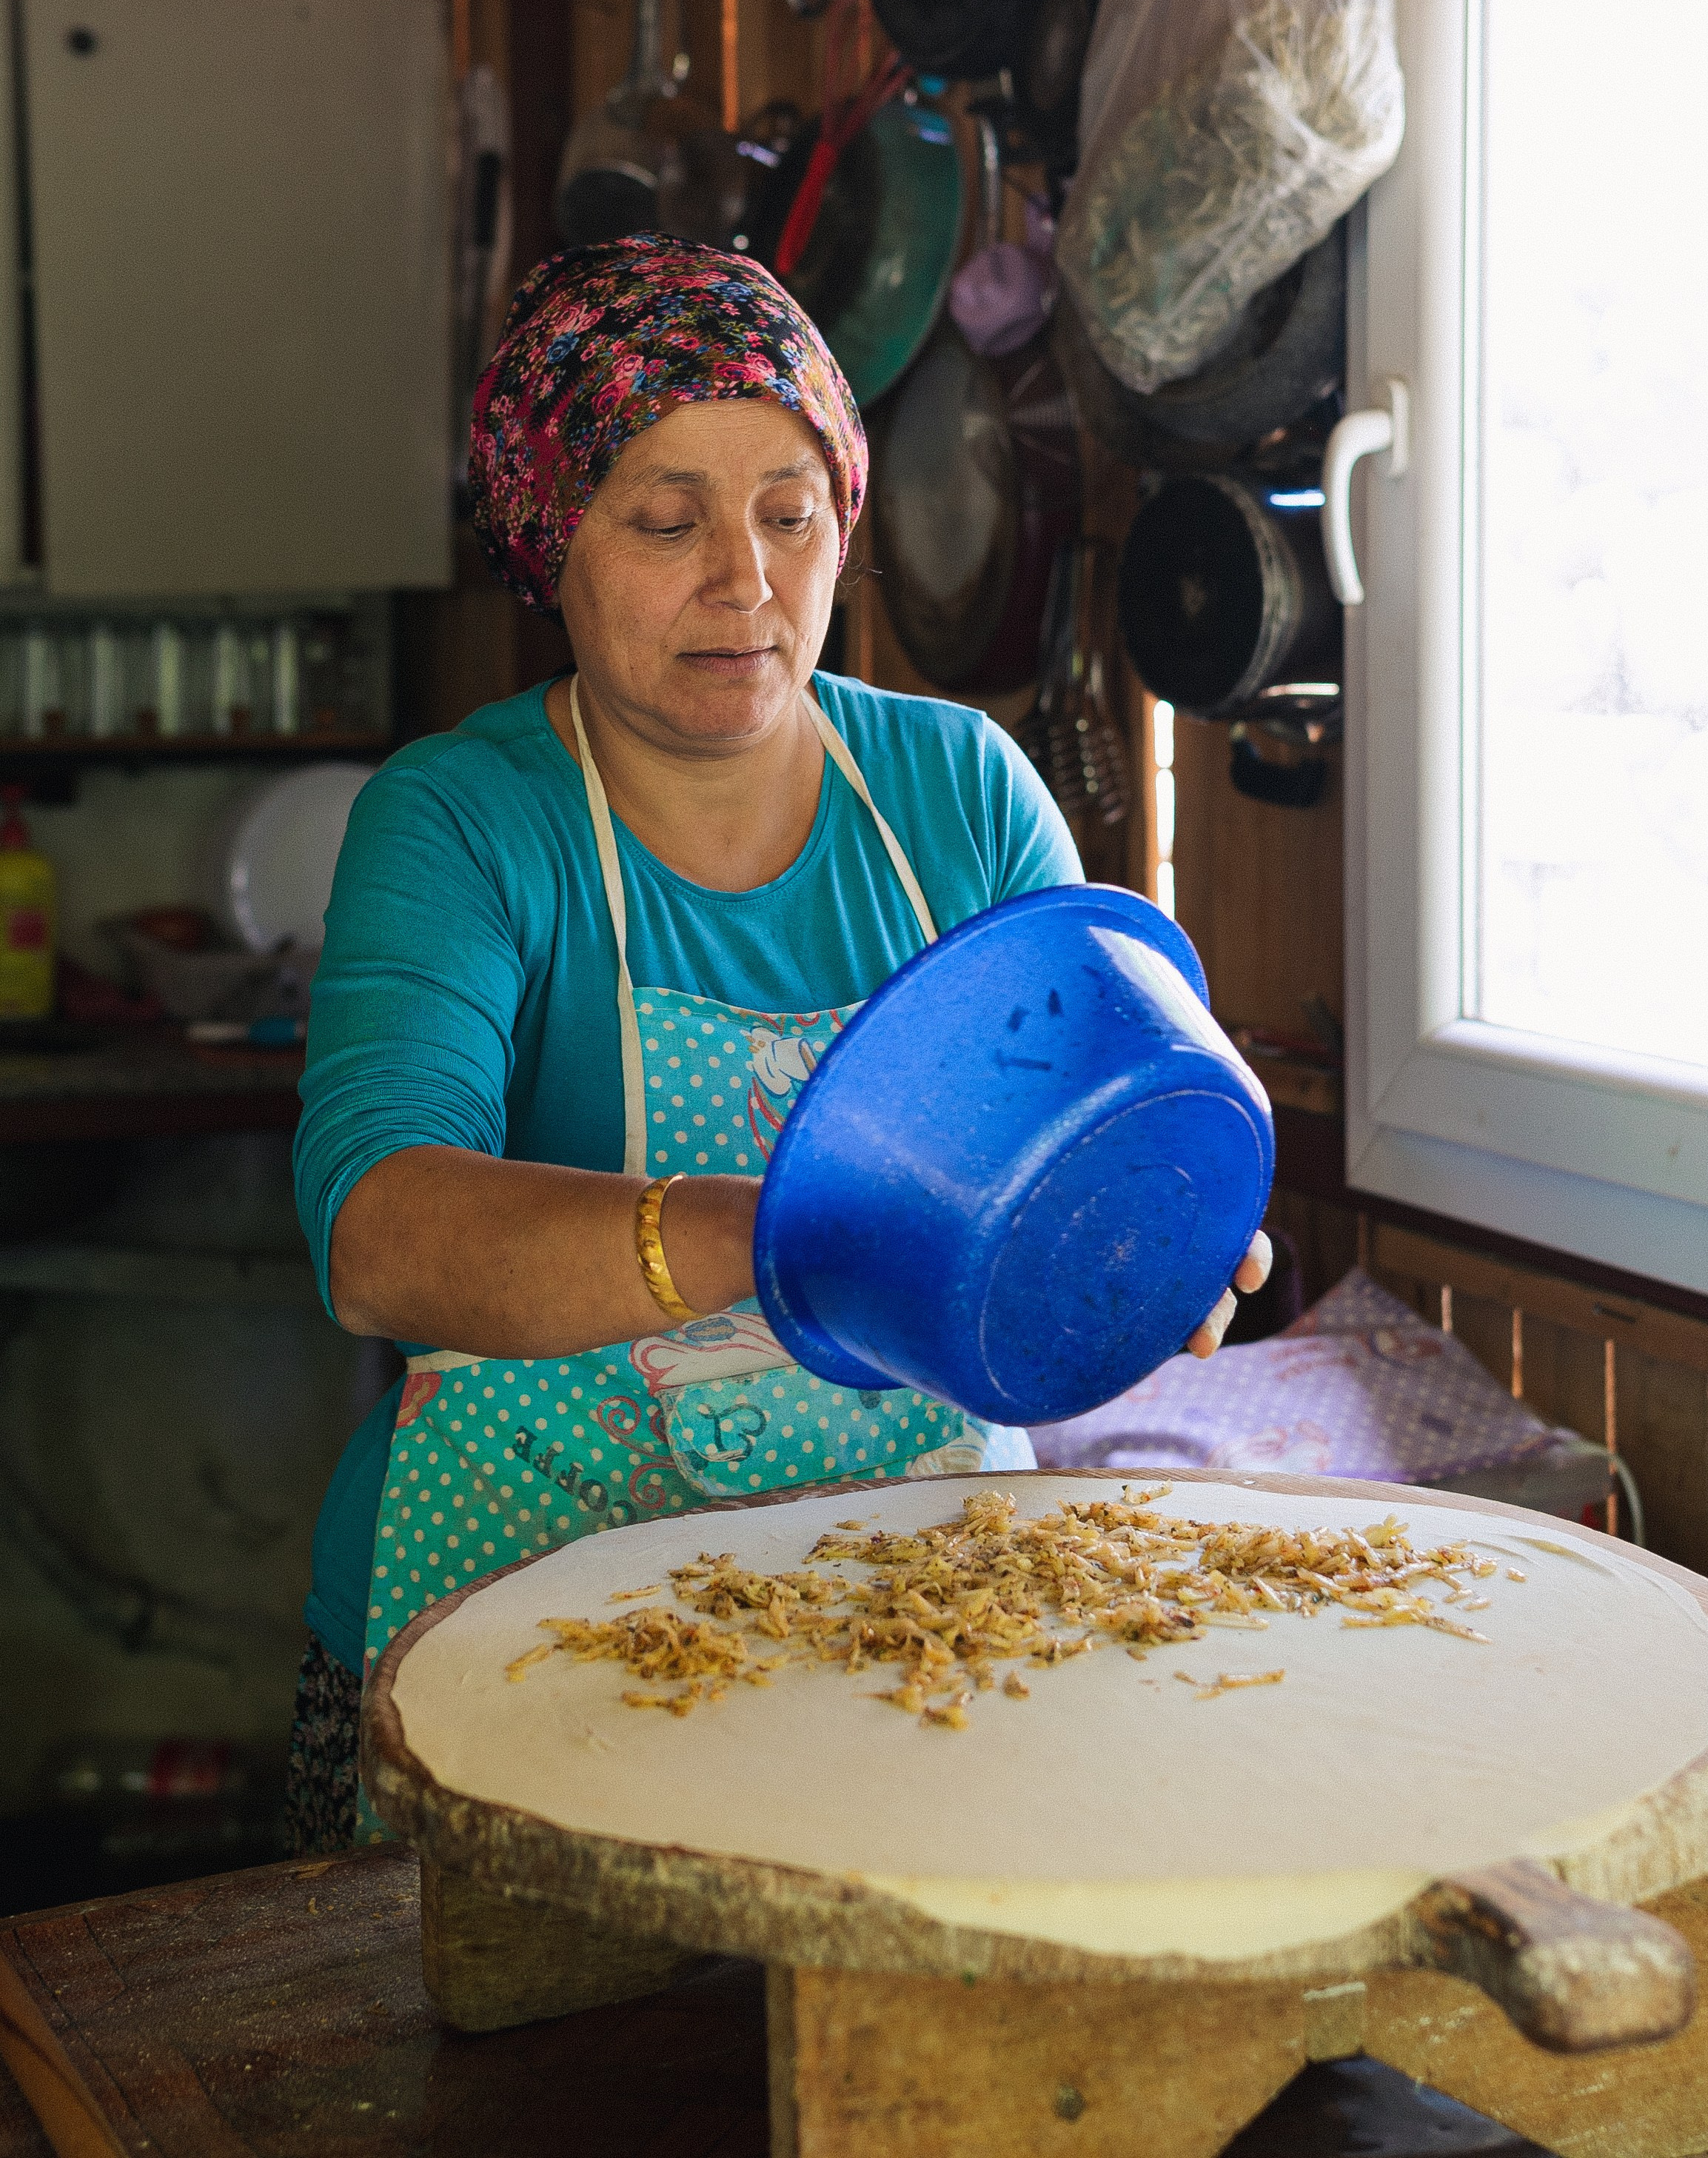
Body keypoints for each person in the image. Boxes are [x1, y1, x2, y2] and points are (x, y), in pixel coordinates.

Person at [286, 238, 1268, 1849]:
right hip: (514, 1636)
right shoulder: (464, 823)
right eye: (666, 521)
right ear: (553, 541)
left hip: (914, 1625)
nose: (742, 581)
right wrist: (777, 1237)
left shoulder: (958, 794)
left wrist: (1144, 1250)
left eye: (789, 513)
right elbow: (378, 1239)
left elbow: (1095, 1128)